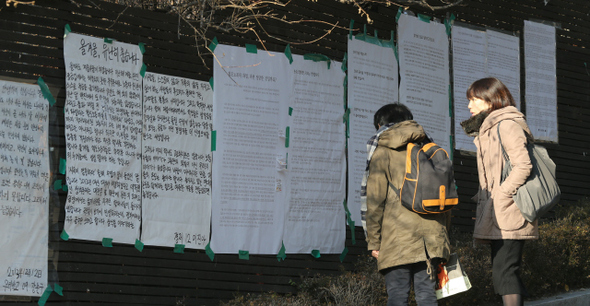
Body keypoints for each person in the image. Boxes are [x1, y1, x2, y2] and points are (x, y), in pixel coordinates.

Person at [361, 103, 451, 306]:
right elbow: (446, 199)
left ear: (380, 125)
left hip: (397, 237)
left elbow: (375, 201)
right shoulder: (432, 149)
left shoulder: (383, 151)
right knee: (427, 296)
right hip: (432, 239)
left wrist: (374, 242)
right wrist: (442, 235)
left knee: (397, 296)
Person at [460, 77, 539, 306]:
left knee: (505, 272)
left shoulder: (507, 124)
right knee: (503, 272)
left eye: (474, 99)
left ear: (490, 99)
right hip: (498, 209)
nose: (469, 105)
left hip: (510, 209)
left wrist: (501, 195)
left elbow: (523, 165)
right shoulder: (489, 128)